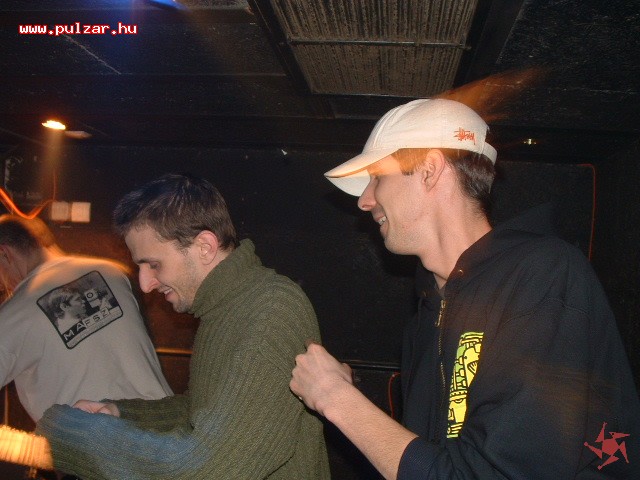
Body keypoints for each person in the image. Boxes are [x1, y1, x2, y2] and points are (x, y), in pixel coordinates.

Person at [290, 98, 640, 479]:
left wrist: (336, 399)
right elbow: (432, 459)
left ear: (429, 170)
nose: (364, 200)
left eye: (377, 177)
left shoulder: (542, 277)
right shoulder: (425, 318)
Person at [34, 173, 330, 479]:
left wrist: (73, 435)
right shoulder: (223, 308)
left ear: (204, 247)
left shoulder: (270, 310)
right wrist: (121, 413)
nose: (145, 284)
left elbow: (210, 469)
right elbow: (199, 412)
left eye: (154, 264)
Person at [0, 215, 172, 423]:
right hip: (165, 423)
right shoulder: (113, 273)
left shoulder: (14, 313)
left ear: (4, 253)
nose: (3, 285)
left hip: (99, 439)